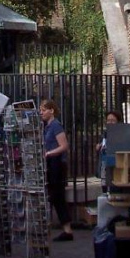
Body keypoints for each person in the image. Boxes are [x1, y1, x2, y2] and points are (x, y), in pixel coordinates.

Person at [40, 99, 73, 240]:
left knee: (57, 195)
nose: (41, 113)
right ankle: (65, 228)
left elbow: (64, 146)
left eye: (43, 110)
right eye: (40, 110)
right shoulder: (47, 127)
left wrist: (49, 153)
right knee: (54, 195)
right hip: (51, 162)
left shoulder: (56, 126)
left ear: (51, 110)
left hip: (57, 163)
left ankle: (67, 230)